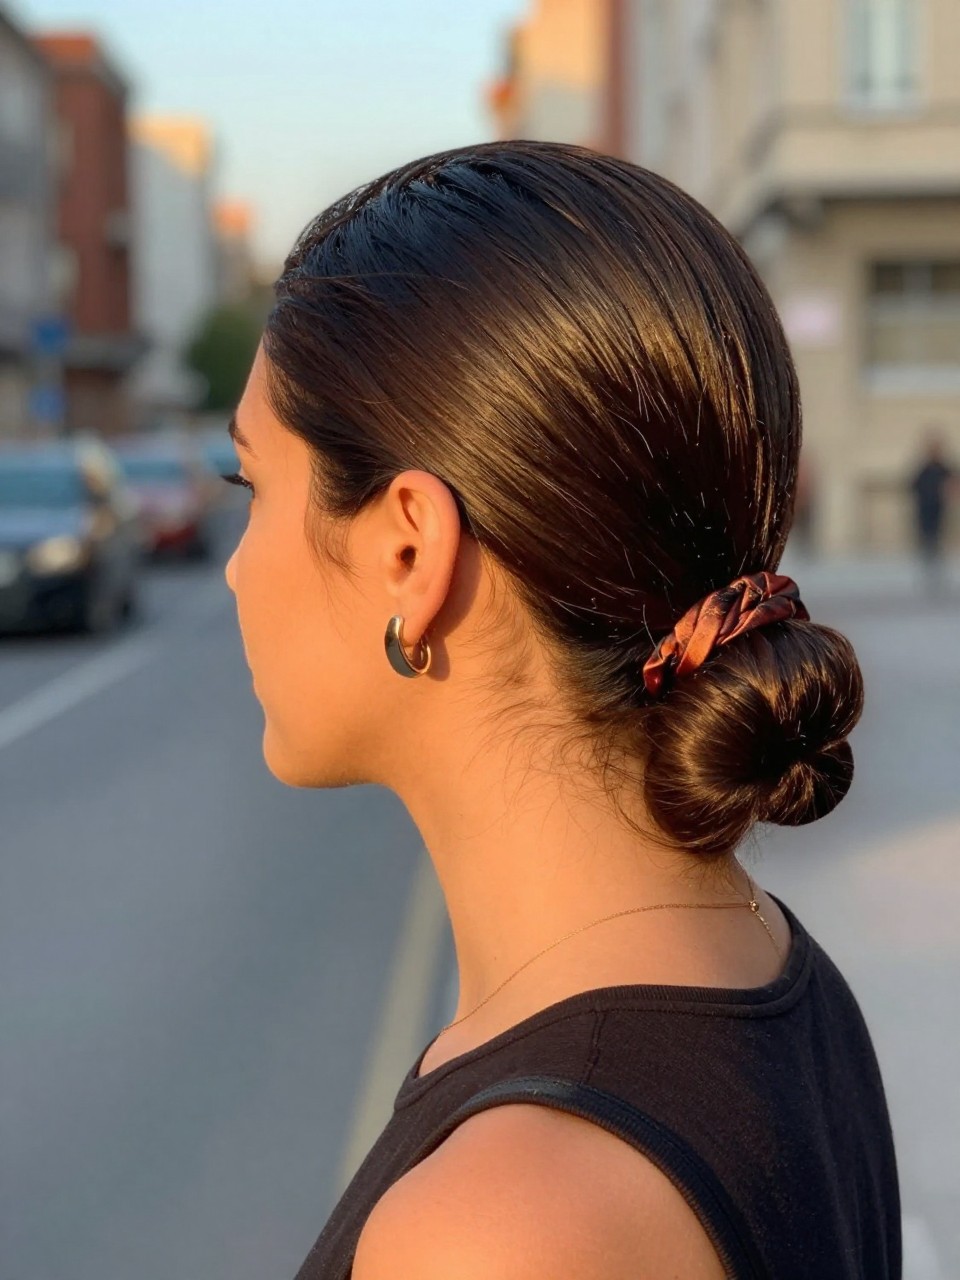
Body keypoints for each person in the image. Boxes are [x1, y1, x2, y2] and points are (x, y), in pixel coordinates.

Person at [222, 141, 900, 1279]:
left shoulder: (505, 1227)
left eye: (251, 484)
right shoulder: (771, 968)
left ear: (408, 548)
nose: (237, 569)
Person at [911, 429, 956, 596]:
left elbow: (953, 485)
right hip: (924, 511)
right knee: (926, 541)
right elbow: (913, 486)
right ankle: (929, 572)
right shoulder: (923, 468)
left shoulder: (944, 468)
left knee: (937, 541)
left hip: (939, 511)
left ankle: (937, 573)